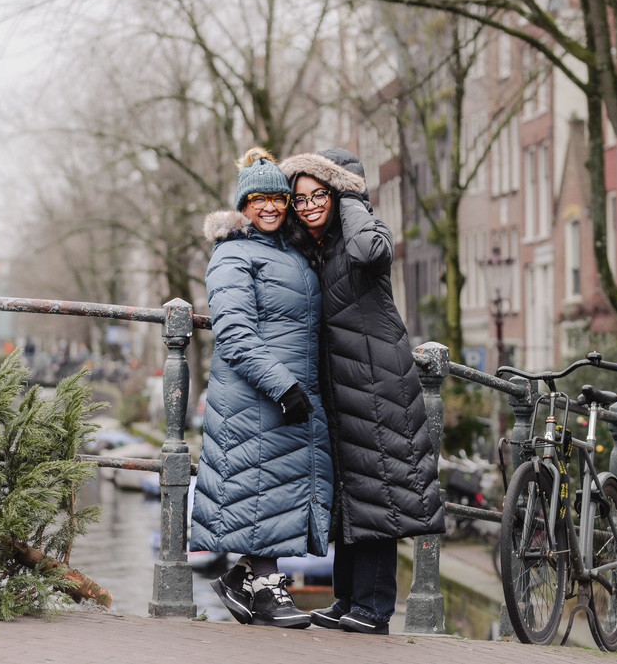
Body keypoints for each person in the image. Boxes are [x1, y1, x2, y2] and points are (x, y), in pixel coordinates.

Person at [280, 148, 446, 636]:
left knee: (380, 495)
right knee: (351, 494)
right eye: (299, 198)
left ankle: (374, 609)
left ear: (338, 193)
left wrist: (352, 196)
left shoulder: (363, 231)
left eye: (319, 195)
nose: (308, 205)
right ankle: (347, 598)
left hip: (377, 383)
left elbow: (372, 253)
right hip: (341, 385)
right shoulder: (321, 245)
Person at [191, 147, 333, 629]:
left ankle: (245, 581)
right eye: (259, 200)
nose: (270, 207)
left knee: (275, 488)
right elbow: (234, 332)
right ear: (242, 205)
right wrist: (283, 387)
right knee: (261, 488)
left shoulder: (289, 250)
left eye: (278, 198)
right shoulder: (232, 254)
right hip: (258, 394)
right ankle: (267, 591)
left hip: (289, 390)